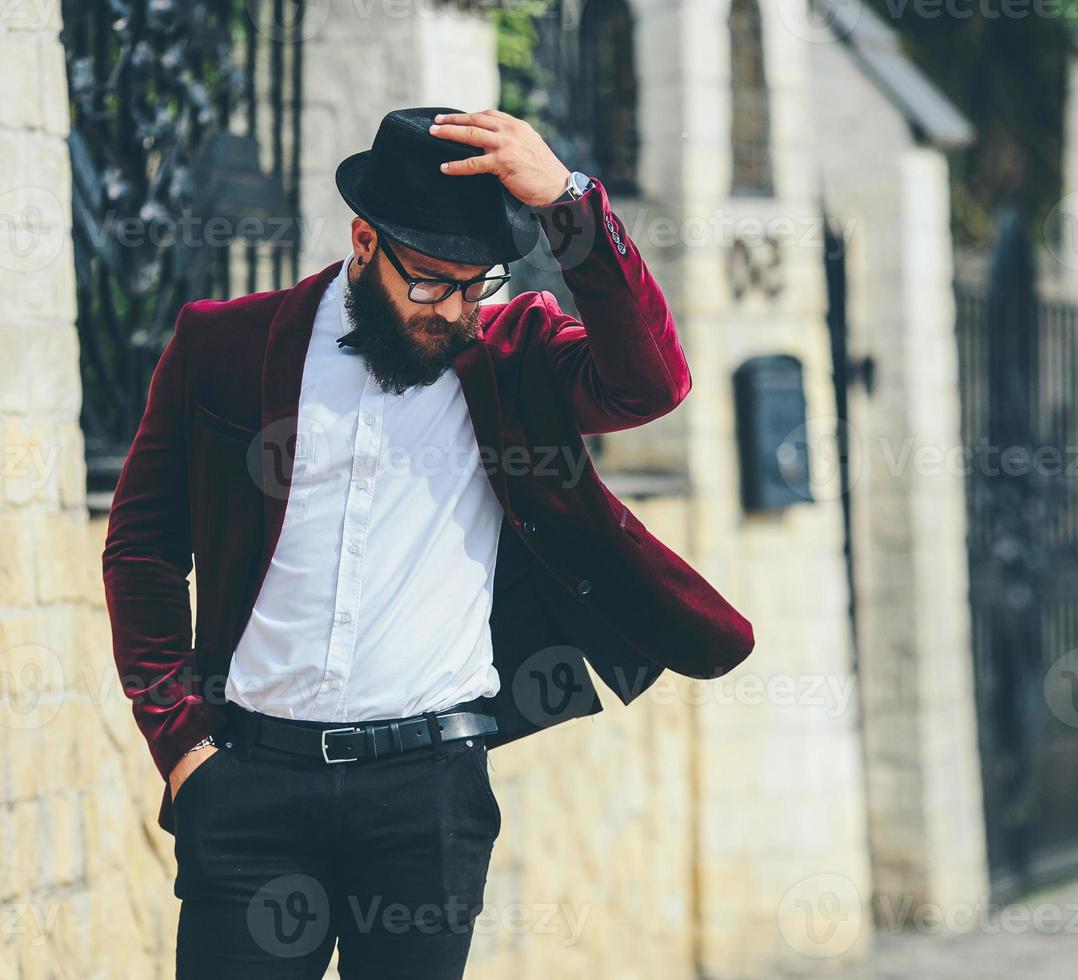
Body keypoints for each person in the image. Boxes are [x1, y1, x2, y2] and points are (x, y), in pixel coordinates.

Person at [102, 105, 755, 978]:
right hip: (247, 787)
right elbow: (142, 551)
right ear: (363, 241)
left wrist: (571, 203)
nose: (453, 310)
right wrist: (183, 746)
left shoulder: (513, 353)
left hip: (427, 797)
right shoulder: (223, 344)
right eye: (429, 283)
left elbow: (650, 383)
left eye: (474, 283)